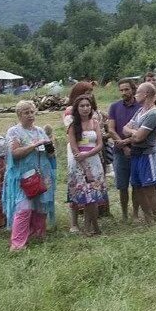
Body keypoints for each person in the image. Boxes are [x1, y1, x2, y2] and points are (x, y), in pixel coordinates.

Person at [3, 100, 57, 251]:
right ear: (19, 115)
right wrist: (33, 146)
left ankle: (37, 235)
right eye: (26, 112)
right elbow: (14, 153)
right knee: (24, 207)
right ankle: (18, 243)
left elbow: (51, 153)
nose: (30, 115)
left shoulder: (40, 131)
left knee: (41, 206)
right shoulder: (14, 131)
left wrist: (50, 147)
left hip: (42, 174)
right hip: (24, 176)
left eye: (32, 112)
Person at [66, 95, 108, 236]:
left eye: (87, 106)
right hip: (79, 165)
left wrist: (88, 154)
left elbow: (100, 144)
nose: (85, 108)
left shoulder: (95, 123)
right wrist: (85, 167)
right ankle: (93, 228)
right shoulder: (73, 126)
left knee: (94, 197)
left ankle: (90, 226)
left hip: (94, 161)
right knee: (86, 197)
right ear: (77, 109)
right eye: (82, 106)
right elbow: (74, 149)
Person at [121, 82, 156, 224]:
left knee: (149, 188)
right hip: (135, 154)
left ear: (146, 94)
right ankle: (148, 219)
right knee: (137, 187)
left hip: (147, 154)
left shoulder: (154, 113)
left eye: (138, 92)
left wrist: (133, 134)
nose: (135, 94)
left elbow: (139, 137)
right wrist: (134, 132)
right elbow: (125, 129)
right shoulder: (140, 111)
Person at [63, 81, 99, 232]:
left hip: (93, 153)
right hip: (76, 152)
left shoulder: (94, 113)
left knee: (92, 188)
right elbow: (73, 136)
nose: (89, 95)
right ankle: (74, 222)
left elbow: (98, 135)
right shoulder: (69, 113)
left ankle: (90, 222)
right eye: (86, 92)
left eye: (90, 92)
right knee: (76, 185)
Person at [107, 79, 142, 220]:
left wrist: (130, 145)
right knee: (122, 185)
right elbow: (110, 129)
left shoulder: (140, 107)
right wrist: (123, 145)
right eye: (121, 90)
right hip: (119, 152)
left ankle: (135, 214)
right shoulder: (114, 107)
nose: (124, 92)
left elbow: (141, 130)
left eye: (126, 89)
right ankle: (124, 214)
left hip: (137, 150)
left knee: (136, 184)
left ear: (133, 90)